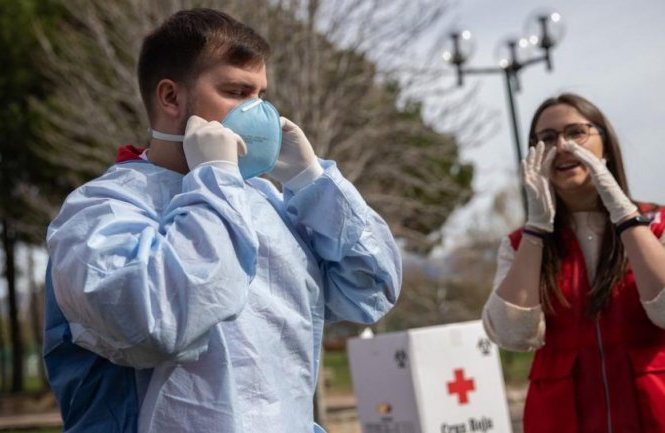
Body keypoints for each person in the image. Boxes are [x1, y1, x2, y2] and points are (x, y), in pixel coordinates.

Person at [44, 8, 401, 433]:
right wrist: (214, 180)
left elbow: (371, 290)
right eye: (236, 91)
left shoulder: (267, 202)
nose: (258, 113)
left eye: (261, 96)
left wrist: (314, 185)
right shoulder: (100, 211)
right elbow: (160, 324)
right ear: (171, 98)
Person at [481, 93, 665, 433]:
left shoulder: (659, 224)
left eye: (576, 132)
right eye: (547, 139)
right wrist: (537, 227)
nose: (563, 146)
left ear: (606, 145)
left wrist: (625, 215)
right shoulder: (519, 245)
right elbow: (511, 334)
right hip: (564, 418)